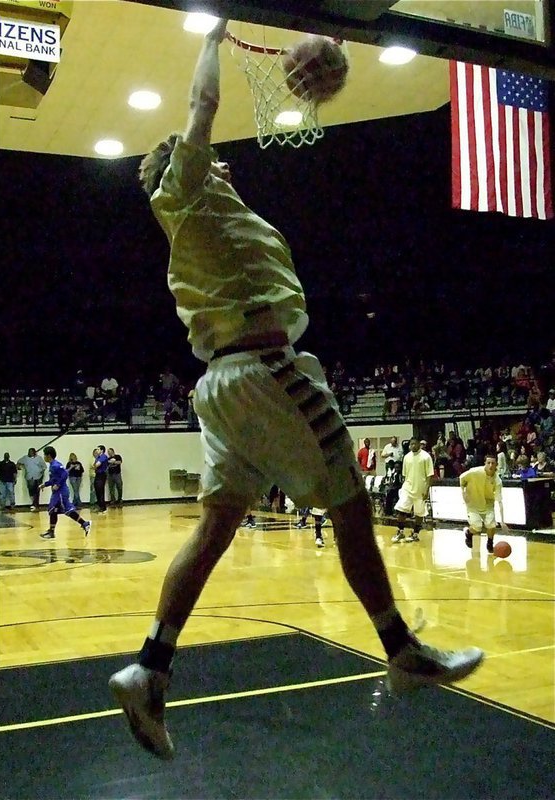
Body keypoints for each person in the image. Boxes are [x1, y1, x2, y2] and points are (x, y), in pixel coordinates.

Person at [108, 20, 484, 761]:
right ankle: (401, 649)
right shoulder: (183, 192)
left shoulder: (206, 220)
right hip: (266, 372)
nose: (219, 166)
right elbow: (202, 108)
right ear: (182, 170)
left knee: (214, 529)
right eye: (206, 163)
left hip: (224, 387)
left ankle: (150, 667)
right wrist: (212, 38)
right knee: (348, 502)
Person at [39, 446, 92, 539]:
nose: (44, 457)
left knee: (63, 510)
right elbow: (54, 479)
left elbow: (65, 474)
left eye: (44, 455)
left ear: (49, 456)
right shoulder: (52, 465)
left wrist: (58, 485)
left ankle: (84, 523)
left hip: (61, 492)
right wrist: (45, 484)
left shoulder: (56, 465)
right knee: (54, 510)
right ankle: (52, 531)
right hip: (57, 493)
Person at [460, 454, 508, 553]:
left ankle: (490, 542)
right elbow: (461, 478)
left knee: (491, 524)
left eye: (493, 463)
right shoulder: (475, 472)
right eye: (488, 463)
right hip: (473, 503)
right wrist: (463, 492)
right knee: (477, 526)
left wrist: (503, 521)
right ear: (485, 464)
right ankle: (469, 533)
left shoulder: (497, 481)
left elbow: (499, 501)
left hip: (488, 504)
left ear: (496, 465)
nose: (490, 465)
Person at [392, 437, 434, 543]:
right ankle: (400, 532)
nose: (413, 446)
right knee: (401, 509)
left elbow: (430, 475)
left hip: (421, 490)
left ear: (419, 444)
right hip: (408, 488)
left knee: (419, 513)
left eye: (415, 444)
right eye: (411, 444)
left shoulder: (426, 457)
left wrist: (427, 489)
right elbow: (405, 475)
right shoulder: (406, 457)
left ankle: (415, 534)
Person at [93, 445, 108, 513]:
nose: (97, 451)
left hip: (101, 475)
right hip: (97, 474)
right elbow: (94, 465)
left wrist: (95, 465)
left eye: (98, 449)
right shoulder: (98, 457)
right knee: (97, 491)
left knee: (100, 491)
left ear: (102, 450)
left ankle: (103, 507)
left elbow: (96, 465)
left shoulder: (103, 456)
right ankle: (100, 506)